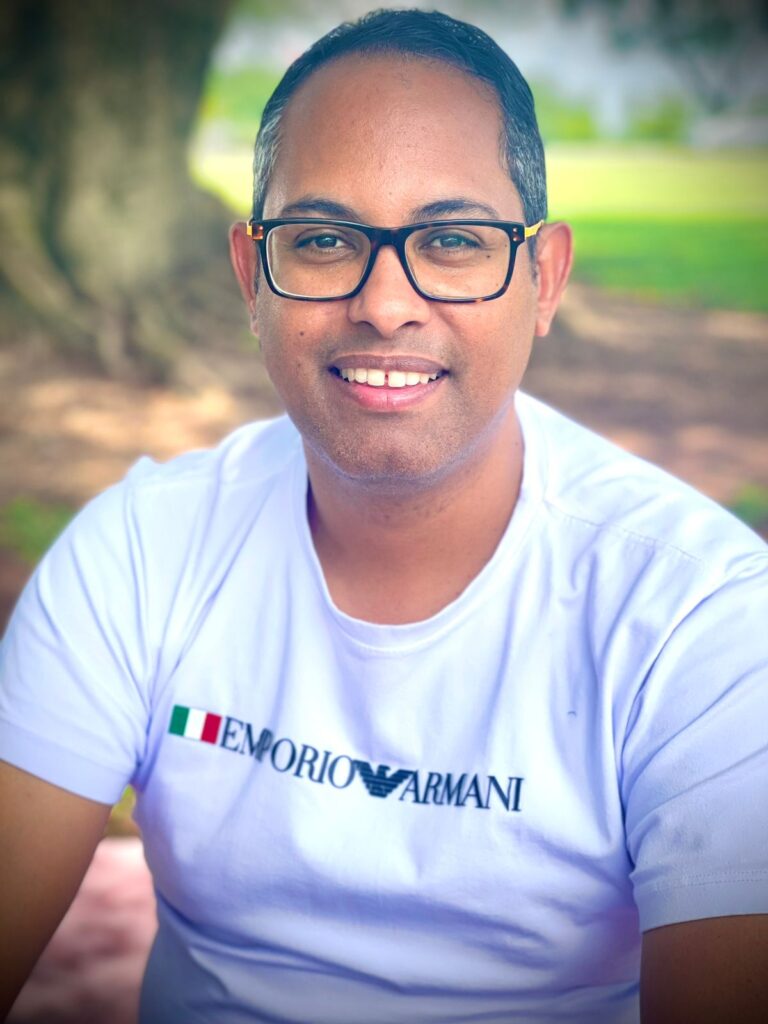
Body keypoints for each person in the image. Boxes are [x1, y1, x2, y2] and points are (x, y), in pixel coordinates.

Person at [1, 8, 766, 1023]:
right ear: (251, 277)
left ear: (543, 279)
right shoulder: (141, 551)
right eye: (324, 240)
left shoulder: (699, 617)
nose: (385, 302)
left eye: (451, 240)